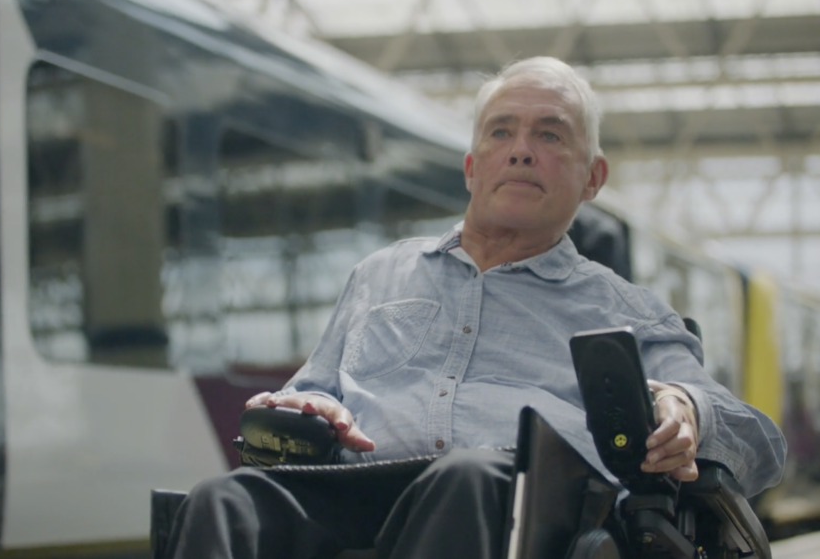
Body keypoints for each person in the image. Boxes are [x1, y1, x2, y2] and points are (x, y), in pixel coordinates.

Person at [164, 57, 786, 559]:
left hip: (522, 510)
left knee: (465, 479)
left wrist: (686, 407)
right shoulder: (378, 275)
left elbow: (759, 440)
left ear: (593, 179)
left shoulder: (625, 308)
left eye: (549, 134)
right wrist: (307, 405)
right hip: (353, 486)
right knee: (224, 499)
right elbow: (315, 389)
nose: (520, 150)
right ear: (472, 167)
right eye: (501, 132)